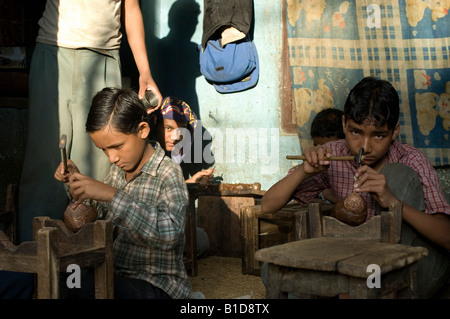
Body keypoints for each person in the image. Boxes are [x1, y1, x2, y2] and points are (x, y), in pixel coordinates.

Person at [262, 77, 450, 298]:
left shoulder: (413, 160)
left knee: (396, 175)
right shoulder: (333, 155)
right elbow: (267, 205)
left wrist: (393, 202)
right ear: (344, 124)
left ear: (394, 131)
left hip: (412, 268)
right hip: (358, 267)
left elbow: (446, 236)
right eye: (356, 132)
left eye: (379, 135)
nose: (365, 146)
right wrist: (305, 170)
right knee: (275, 271)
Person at [18, 0, 163, 243]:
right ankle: (33, 260)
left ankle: (91, 262)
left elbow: (131, 8)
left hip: (104, 55)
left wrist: (144, 71)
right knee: (45, 162)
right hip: (53, 51)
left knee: (100, 162)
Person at [54, 87, 190, 299]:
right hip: (114, 274)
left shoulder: (168, 173)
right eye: (104, 150)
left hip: (156, 284)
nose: (112, 158)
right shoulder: (117, 171)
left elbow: (171, 234)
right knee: (68, 279)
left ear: (142, 130)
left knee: (94, 289)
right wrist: (79, 184)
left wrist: (112, 195)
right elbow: (98, 212)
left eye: (117, 146)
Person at [151, 96, 214, 257]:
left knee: (201, 237)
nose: (176, 137)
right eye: (168, 128)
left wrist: (194, 184)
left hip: (167, 225)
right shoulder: (146, 154)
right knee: (199, 240)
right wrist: (189, 184)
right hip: (147, 224)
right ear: (155, 124)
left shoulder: (174, 157)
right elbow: (153, 198)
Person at [310, 108, 345, 203]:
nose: (322, 153)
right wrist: (323, 193)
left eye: (331, 148)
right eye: (317, 146)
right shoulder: (315, 163)